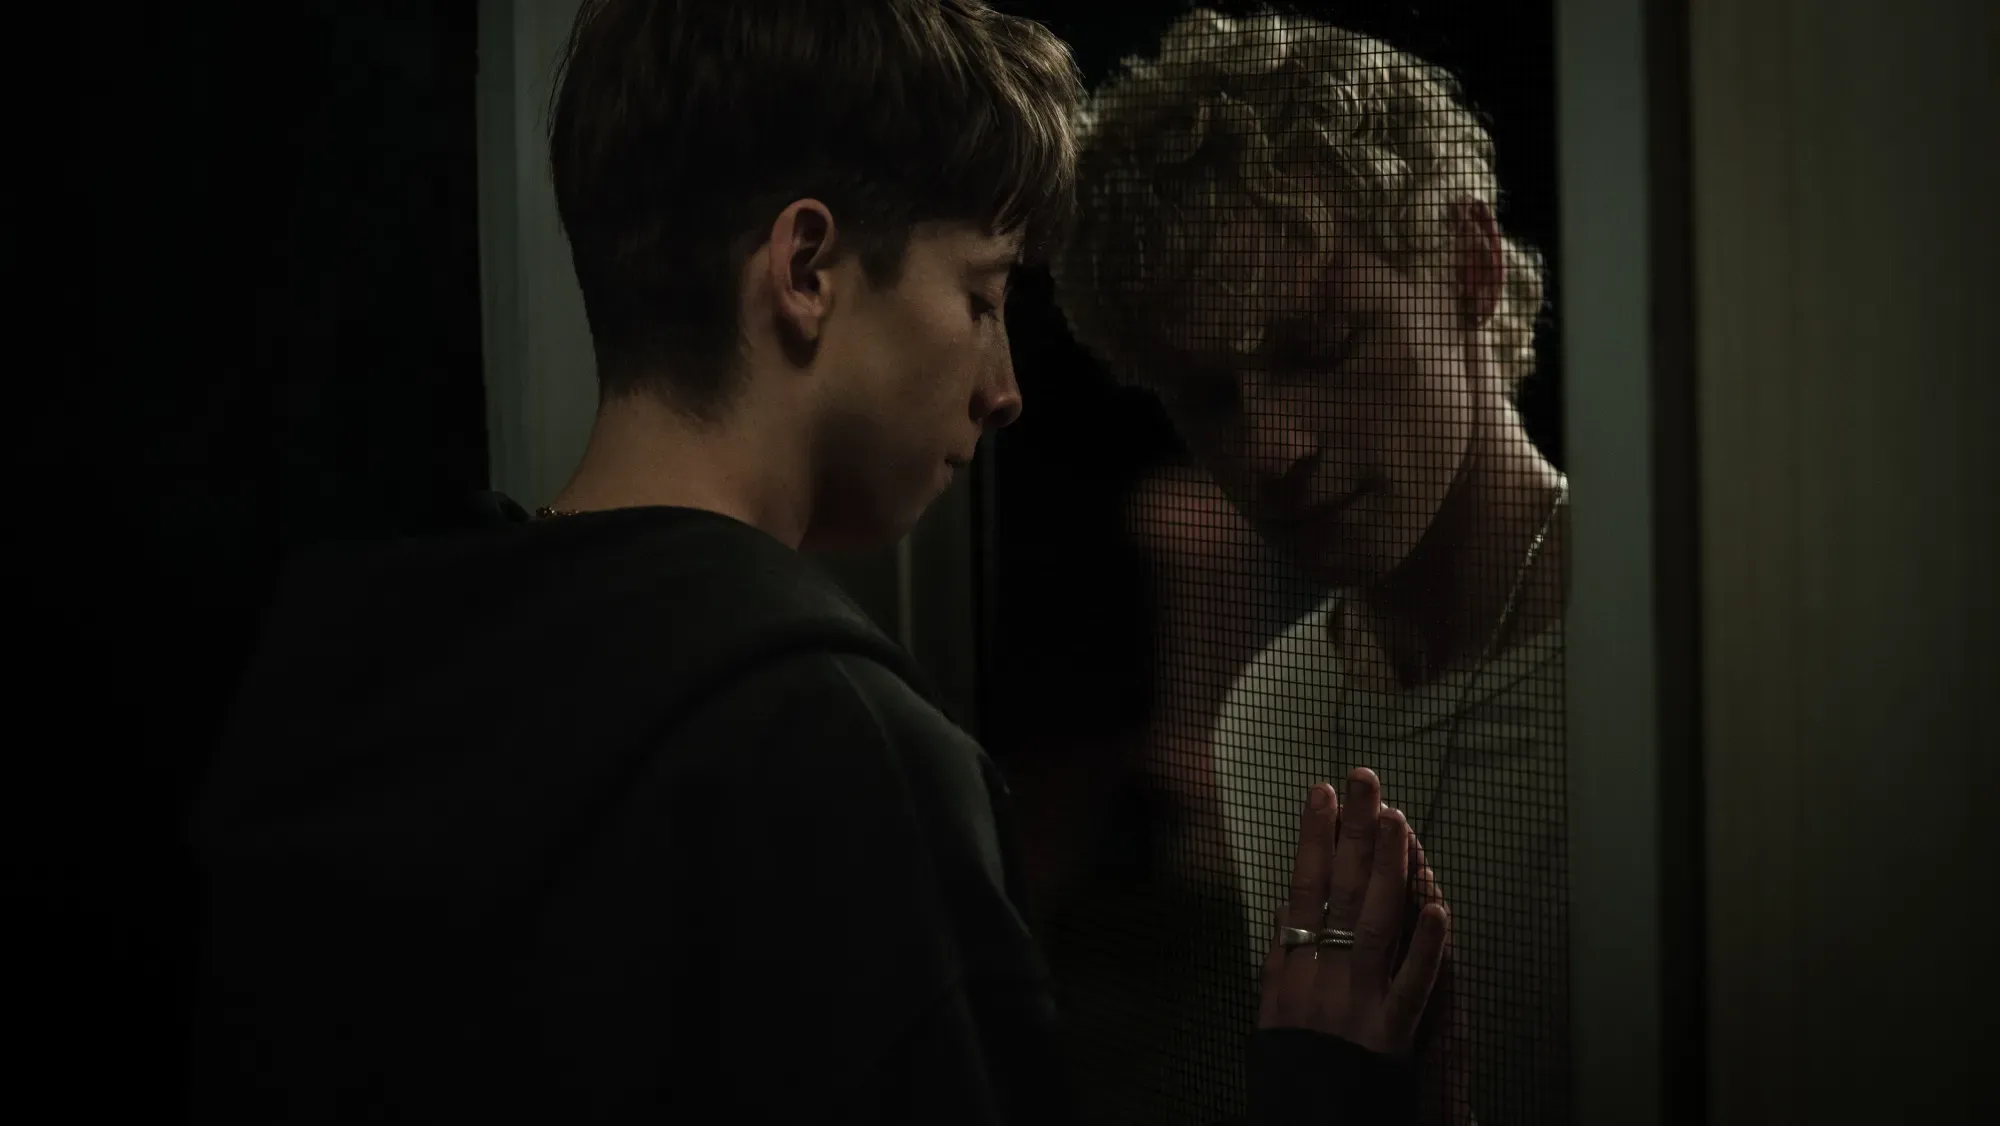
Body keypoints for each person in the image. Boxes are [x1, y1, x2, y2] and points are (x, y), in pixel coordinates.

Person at [186, 2, 1452, 1122]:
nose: (1004, 385)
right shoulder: (844, 758)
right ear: (804, 270)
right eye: (981, 296)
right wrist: (1324, 1092)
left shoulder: (347, 680)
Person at [1052, 8, 1570, 1124]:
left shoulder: (1672, 663)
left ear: (1471, 266)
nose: (1274, 448)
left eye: (1325, 349)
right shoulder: (1266, 721)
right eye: (1210, 398)